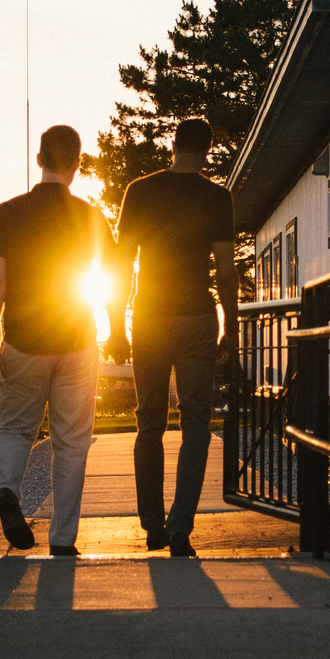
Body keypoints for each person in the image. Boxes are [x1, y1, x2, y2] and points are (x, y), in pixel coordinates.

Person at [0, 124, 111, 556]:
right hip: (77, 342)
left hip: (23, 341)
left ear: (38, 160)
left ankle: (5, 491)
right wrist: (115, 327)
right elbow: (110, 275)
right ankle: (62, 541)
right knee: (71, 443)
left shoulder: (7, 212)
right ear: (77, 165)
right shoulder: (91, 216)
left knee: (14, 428)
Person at [111, 116, 237, 556]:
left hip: (148, 316)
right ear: (206, 151)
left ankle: (152, 527)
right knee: (196, 422)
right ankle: (181, 527)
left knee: (149, 421)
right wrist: (231, 332)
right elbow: (225, 272)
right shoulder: (218, 198)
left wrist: (113, 323)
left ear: (173, 145)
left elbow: (122, 263)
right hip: (198, 318)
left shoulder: (140, 191)